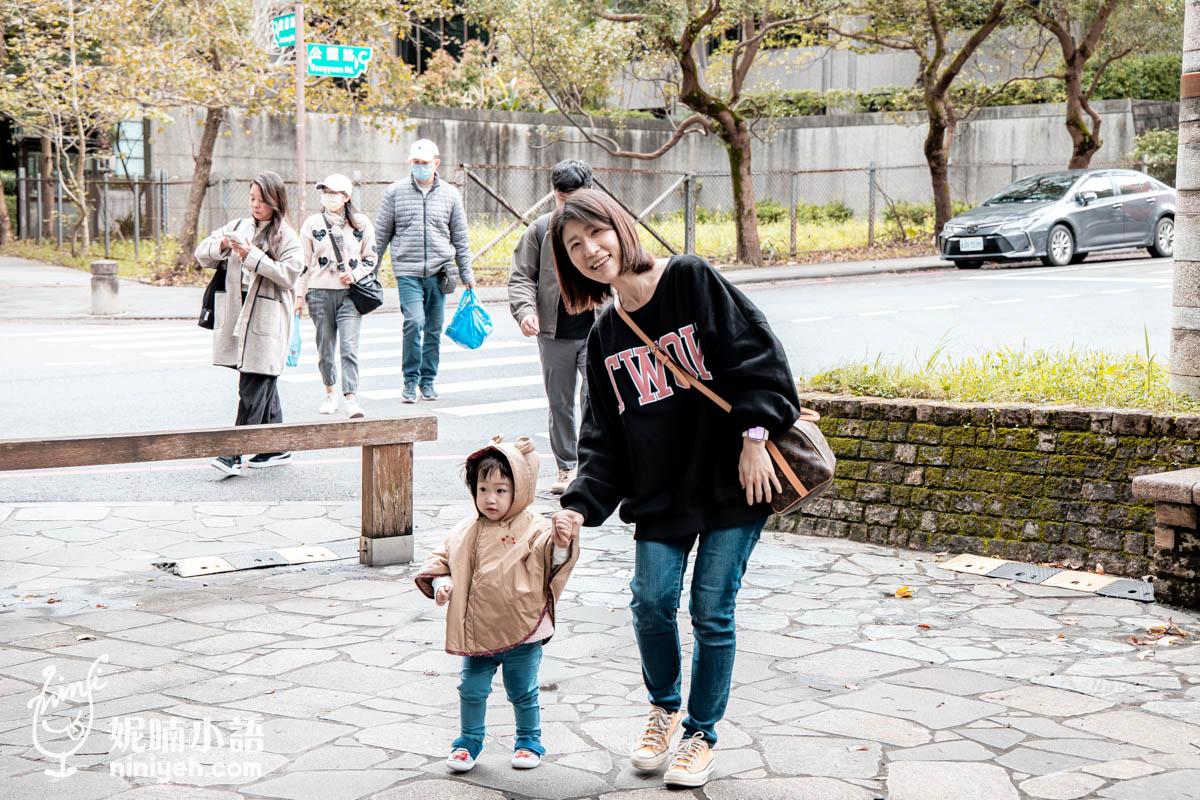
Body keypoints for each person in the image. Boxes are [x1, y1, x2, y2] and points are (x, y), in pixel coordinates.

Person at [548, 189, 801, 789]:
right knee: (651, 600)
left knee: (711, 610)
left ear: (620, 226)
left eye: (596, 234)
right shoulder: (605, 335)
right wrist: (581, 506)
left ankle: (700, 734)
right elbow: (602, 436)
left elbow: (759, 358)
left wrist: (755, 436)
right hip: (662, 494)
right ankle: (663, 709)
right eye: (574, 246)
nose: (591, 251)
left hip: (735, 479)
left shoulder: (689, 278)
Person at [415, 435, 579, 772]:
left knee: (523, 690)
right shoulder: (465, 531)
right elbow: (440, 562)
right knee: (470, 688)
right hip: (477, 630)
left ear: (519, 490)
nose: (491, 499)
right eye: (483, 489)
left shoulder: (535, 528)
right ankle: (468, 741)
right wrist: (442, 583)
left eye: (501, 490)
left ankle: (529, 740)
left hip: (523, 628)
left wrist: (562, 541)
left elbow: (553, 560)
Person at [194, 171, 304, 476]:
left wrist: (252, 255)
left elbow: (290, 275)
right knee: (262, 377)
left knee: (253, 383)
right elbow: (201, 253)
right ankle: (276, 446)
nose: (255, 205)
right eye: (252, 198)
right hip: (237, 312)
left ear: (275, 201)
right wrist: (223, 246)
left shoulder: (287, 236)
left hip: (267, 317)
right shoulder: (238, 226)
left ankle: (234, 454)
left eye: (261, 200)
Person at [508, 159, 597, 495]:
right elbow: (520, 276)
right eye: (562, 198)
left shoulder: (604, 226)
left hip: (596, 330)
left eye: (575, 196)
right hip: (554, 332)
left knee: (595, 398)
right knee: (559, 402)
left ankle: (593, 465)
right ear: (554, 195)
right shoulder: (541, 230)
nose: (569, 204)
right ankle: (567, 467)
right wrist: (525, 312)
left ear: (590, 190)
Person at [374, 138, 474, 404]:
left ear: (436, 164)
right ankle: (410, 380)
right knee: (413, 322)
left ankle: (427, 381)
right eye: (416, 163)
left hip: (439, 273)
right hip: (407, 271)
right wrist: (369, 270)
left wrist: (468, 276)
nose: (420, 167)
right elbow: (381, 235)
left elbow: (461, 238)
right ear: (411, 163)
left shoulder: (451, 194)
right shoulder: (395, 193)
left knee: (433, 329)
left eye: (425, 163)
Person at [295, 173, 376, 420]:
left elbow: (371, 258)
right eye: (325, 193)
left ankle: (351, 398)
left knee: (349, 348)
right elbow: (303, 264)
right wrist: (299, 296)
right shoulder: (312, 224)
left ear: (346, 196)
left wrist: (357, 274)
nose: (329, 197)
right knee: (325, 348)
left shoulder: (361, 224)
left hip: (351, 295)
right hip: (319, 294)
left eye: (334, 193)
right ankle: (330, 392)